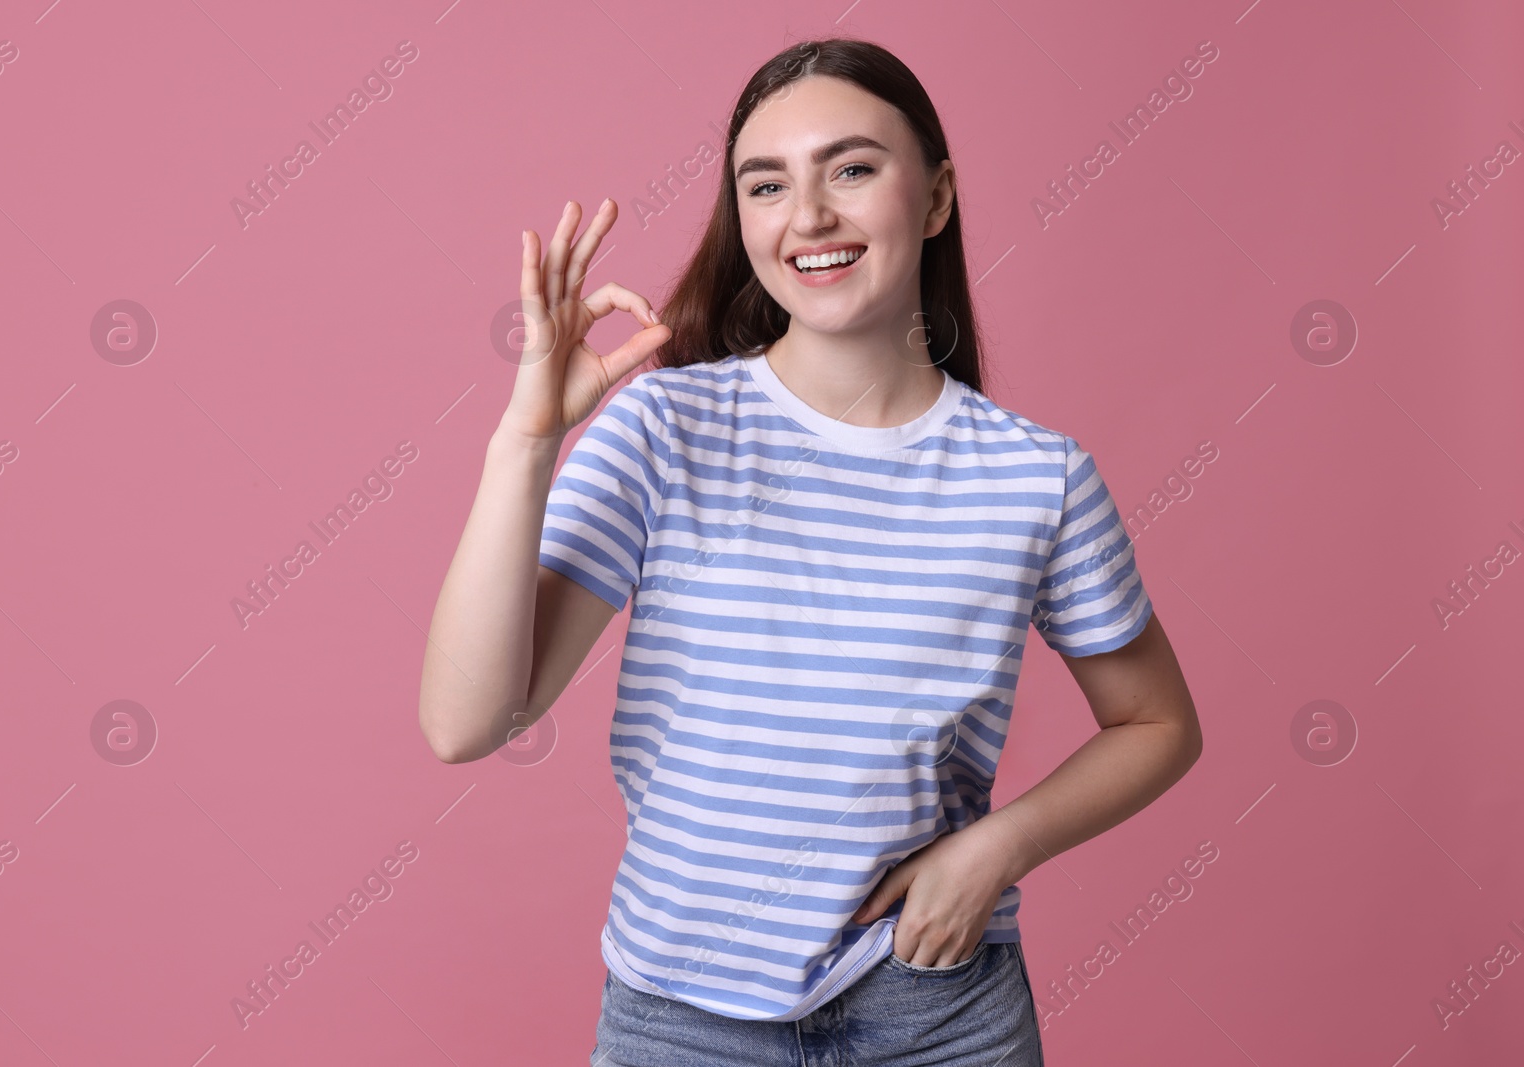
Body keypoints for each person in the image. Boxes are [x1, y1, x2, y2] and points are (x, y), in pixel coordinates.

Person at [419, 35, 1203, 1067]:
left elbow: (1157, 723)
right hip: (681, 1023)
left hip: (937, 1013)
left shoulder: (1034, 477)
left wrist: (998, 845)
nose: (809, 215)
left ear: (933, 199)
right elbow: (467, 721)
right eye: (766, 184)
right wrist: (527, 440)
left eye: (852, 168)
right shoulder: (663, 428)